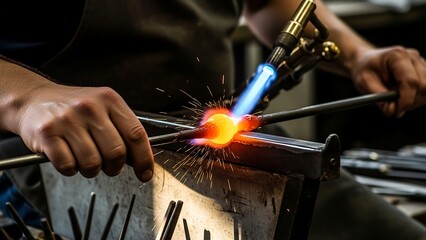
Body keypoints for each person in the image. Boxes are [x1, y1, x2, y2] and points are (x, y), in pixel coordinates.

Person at [0, 0, 425, 239]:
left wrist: (357, 54)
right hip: (62, 164)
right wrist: (28, 97)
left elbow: (266, 3)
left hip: (223, 148)